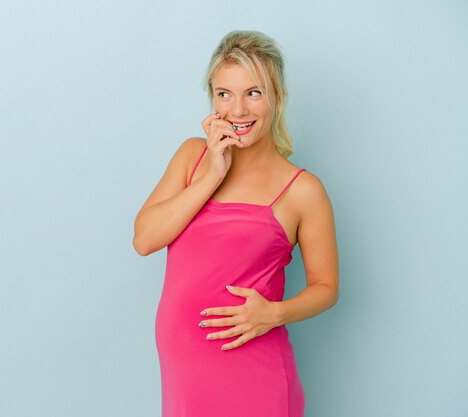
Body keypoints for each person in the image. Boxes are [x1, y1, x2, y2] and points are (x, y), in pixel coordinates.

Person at [132, 30, 339, 417]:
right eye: (224, 94)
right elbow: (144, 239)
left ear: (277, 98)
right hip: (186, 380)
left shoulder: (302, 190)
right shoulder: (192, 156)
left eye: (253, 93)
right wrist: (212, 174)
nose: (237, 111)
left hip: (256, 374)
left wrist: (274, 314)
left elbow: (327, 287)